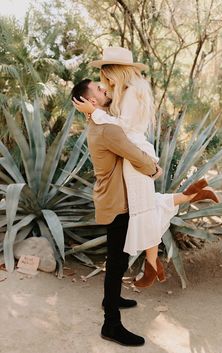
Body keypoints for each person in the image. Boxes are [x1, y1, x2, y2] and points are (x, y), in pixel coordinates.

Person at [72, 47, 219, 289]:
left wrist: (95, 112)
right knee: (147, 206)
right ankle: (194, 194)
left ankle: (152, 264)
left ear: (114, 72)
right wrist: (97, 111)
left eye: (105, 76)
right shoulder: (130, 92)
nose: (104, 82)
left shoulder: (130, 94)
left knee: (144, 210)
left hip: (134, 155)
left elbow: (121, 129)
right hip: (136, 151)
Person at [71, 79, 160, 346]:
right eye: (99, 89)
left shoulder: (101, 122)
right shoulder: (106, 129)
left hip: (115, 198)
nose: (104, 88)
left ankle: (112, 299)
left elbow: (122, 125)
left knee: (118, 257)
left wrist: (91, 109)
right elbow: (134, 153)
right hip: (117, 202)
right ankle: (111, 323)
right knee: (117, 260)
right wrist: (155, 169)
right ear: (93, 100)